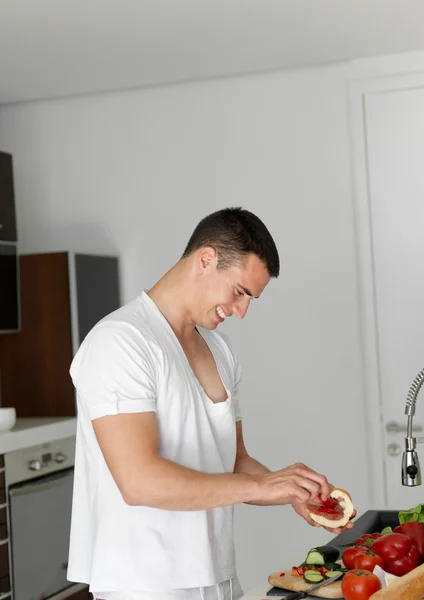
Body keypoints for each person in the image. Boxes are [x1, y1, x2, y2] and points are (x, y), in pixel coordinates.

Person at [67, 207, 354, 600]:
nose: (241, 311)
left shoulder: (220, 350)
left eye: (251, 299)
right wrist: (262, 485)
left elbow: (232, 461)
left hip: (217, 578)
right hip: (144, 586)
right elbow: (138, 481)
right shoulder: (121, 342)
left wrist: (292, 490)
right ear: (206, 259)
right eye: (239, 292)